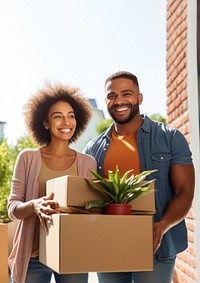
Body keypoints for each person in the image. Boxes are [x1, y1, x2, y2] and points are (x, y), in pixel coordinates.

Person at [83, 71, 195, 283]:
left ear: (139, 98)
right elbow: (87, 197)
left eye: (126, 94)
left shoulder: (169, 138)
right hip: (108, 246)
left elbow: (185, 192)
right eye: (112, 96)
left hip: (155, 246)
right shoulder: (93, 148)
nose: (119, 101)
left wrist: (163, 225)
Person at [7, 83, 97, 283]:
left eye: (71, 115)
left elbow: (92, 211)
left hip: (72, 253)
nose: (66, 122)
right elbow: (12, 208)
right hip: (32, 257)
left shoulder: (87, 163)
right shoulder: (28, 158)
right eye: (58, 116)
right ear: (45, 123)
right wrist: (34, 205)